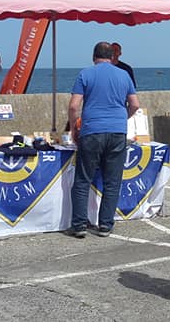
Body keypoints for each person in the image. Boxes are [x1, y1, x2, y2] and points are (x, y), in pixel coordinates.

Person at [64, 42, 140, 238]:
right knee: (112, 181)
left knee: (82, 180)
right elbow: (135, 105)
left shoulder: (85, 74)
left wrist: (74, 128)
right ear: (112, 56)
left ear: (93, 56)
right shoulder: (124, 75)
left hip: (92, 131)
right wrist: (122, 118)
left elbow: (73, 106)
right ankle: (105, 225)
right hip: (117, 132)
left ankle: (79, 225)